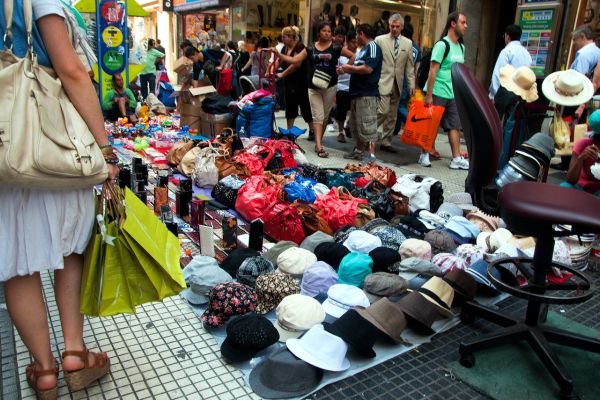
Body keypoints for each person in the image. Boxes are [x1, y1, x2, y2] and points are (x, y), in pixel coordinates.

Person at [0, 2, 119, 399]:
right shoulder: (41, 2)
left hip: (7, 152)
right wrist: (105, 149)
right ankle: (74, 352)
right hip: (54, 148)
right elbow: (70, 71)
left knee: (17, 262)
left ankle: (45, 370)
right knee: (70, 249)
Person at [275, 21, 355, 158]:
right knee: (317, 116)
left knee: (324, 117)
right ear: (318, 33)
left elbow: (352, 56)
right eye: (324, 31)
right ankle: (318, 146)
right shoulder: (311, 48)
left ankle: (319, 140)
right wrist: (279, 55)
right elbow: (295, 60)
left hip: (330, 86)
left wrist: (344, 68)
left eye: (329, 31)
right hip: (313, 87)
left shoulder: (336, 48)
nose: (327, 33)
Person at [421, 11, 469, 169]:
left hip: (453, 93)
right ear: (453, 24)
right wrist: (429, 95)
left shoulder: (461, 47)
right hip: (437, 91)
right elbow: (433, 70)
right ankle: (424, 154)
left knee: (454, 125)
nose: (465, 26)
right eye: (463, 23)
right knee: (431, 125)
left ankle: (456, 158)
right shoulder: (442, 45)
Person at [339, 23, 383, 163]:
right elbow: (359, 67)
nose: (356, 38)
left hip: (367, 93)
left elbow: (368, 69)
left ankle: (370, 156)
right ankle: (358, 151)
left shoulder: (373, 47)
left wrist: (349, 68)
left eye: (357, 35)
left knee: (368, 125)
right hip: (357, 93)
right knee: (356, 125)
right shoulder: (362, 50)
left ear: (361, 34)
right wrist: (346, 69)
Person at [375, 13, 415, 153]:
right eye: (392, 26)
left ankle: (386, 142)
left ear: (402, 27)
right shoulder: (379, 40)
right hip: (382, 81)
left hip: (398, 83)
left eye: (397, 27)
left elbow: (410, 67)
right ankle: (368, 135)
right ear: (389, 25)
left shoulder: (408, 43)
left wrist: (411, 85)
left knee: (392, 114)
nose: (394, 29)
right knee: (383, 111)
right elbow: (375, 61)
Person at [489, 24, 532, 120]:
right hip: (520, 92)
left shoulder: (507, 51)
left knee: (494, 122)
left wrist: (493, 95)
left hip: (504, 90)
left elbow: (498, 74)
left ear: (507, 36)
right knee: (511, 123)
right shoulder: (526, 54)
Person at [276, 26, 313, 131]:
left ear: (290, 37)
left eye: (284, 37)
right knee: (290, 107)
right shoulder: (285, 48)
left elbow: (296, 64)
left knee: (305, 107)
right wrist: (270, 70)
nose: (282, 39)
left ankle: (312, 130)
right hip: (289, 82)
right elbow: (279, 61)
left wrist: (283, 73)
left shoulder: (300, 47)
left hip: (301, 82)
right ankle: (289, 131)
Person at [561, 109, 600, 197]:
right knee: (564, 187)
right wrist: (581, 158)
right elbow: (570, 179)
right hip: (582, 187)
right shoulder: (583, 144)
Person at [570, 25, 600, 118]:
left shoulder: (584, 55)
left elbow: (579, 80)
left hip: (581, 98)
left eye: (575, 39)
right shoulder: (597, 51)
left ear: (583, 37)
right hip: (592, 99)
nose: (574, 43)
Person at [333, 30, 357, 142]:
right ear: (347, 41)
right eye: (352, 42)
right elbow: (336, 70)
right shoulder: (340, 54)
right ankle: (340, 132)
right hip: (342, 87)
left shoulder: (360, 53)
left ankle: (348, 125)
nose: (355, 44)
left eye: (356, 42)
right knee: (341, 112)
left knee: (354, 111)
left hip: (355, 87)